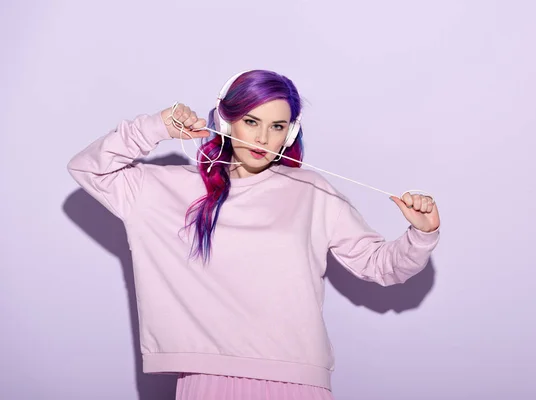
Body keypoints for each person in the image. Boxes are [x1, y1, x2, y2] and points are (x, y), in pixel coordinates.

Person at [67, 69, 441, 399]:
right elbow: (88, 169)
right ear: (227, 123)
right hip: (207, 376)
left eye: (277, 126)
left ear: (290, 131)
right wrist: (156, 127)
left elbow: (382, 266)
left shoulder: (311, 191)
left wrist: (420, 235)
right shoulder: (166, 188)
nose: (263, 137)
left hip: (295, 377)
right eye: (251, 121)